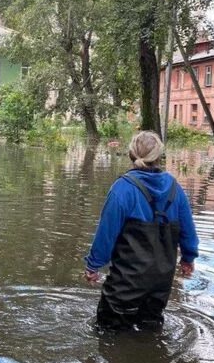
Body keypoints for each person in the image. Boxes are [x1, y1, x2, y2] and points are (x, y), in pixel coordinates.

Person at [84, 130, 199, 330]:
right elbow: (188, 231)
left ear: (131, 154)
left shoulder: (122, 188)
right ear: (159, 156)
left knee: (108, 336)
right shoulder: (175, 188)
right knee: (151, 332)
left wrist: (93, 265)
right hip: (160, 286)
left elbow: (106, 233)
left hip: (125, 285)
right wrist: (188, 258)